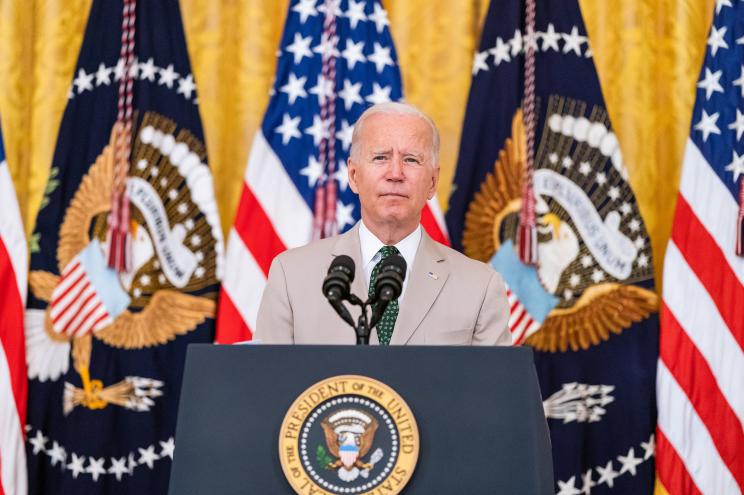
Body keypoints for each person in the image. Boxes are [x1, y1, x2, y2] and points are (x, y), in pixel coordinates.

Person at [255, 102, 511, 345]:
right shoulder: (291, 276)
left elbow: (494, 389)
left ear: (432, 182)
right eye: (380, 158)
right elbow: (268, 385)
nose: (395, 174)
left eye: (411, 159)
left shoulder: (480, 286)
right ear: (354, 176)